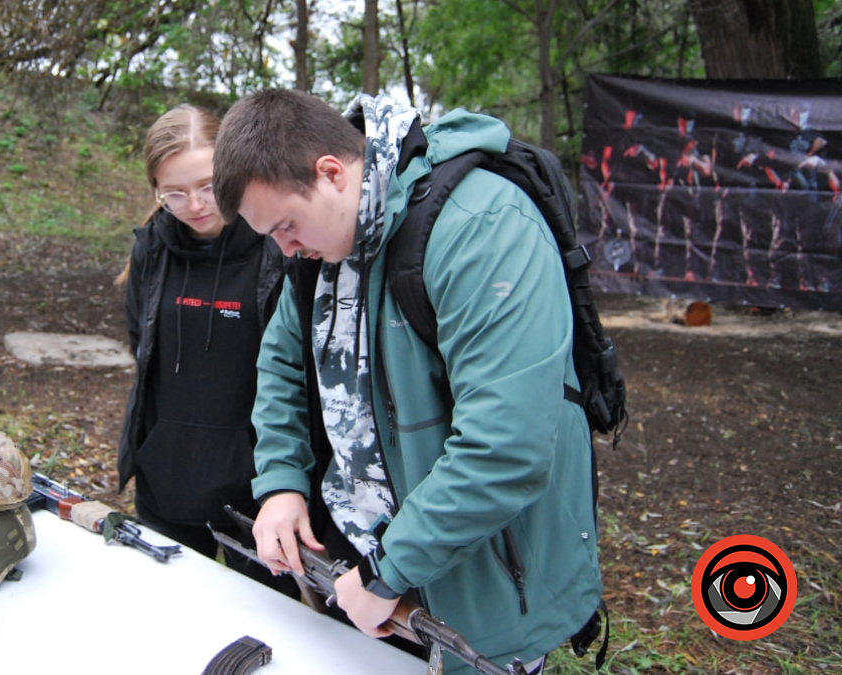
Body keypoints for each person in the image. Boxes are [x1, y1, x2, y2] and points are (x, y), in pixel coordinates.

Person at [212, 89, 603, 673]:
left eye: (287, 225)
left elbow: (506, 446)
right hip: (360, 574)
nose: (284, 248)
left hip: (481, 586)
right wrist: (280, 482)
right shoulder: (320, 252)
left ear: (331, 173)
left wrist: (388, 569)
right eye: (269, 234)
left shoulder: (482, 227)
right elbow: (282, 367)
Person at [115, 104, 295, 597]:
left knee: (261, 627)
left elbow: (295, 372)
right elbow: (142, 346)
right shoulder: (151, 248)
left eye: (208, 185)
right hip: (168, 479)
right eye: (174, 192)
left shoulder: (278, 243)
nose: (194, 204)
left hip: (257, 490)